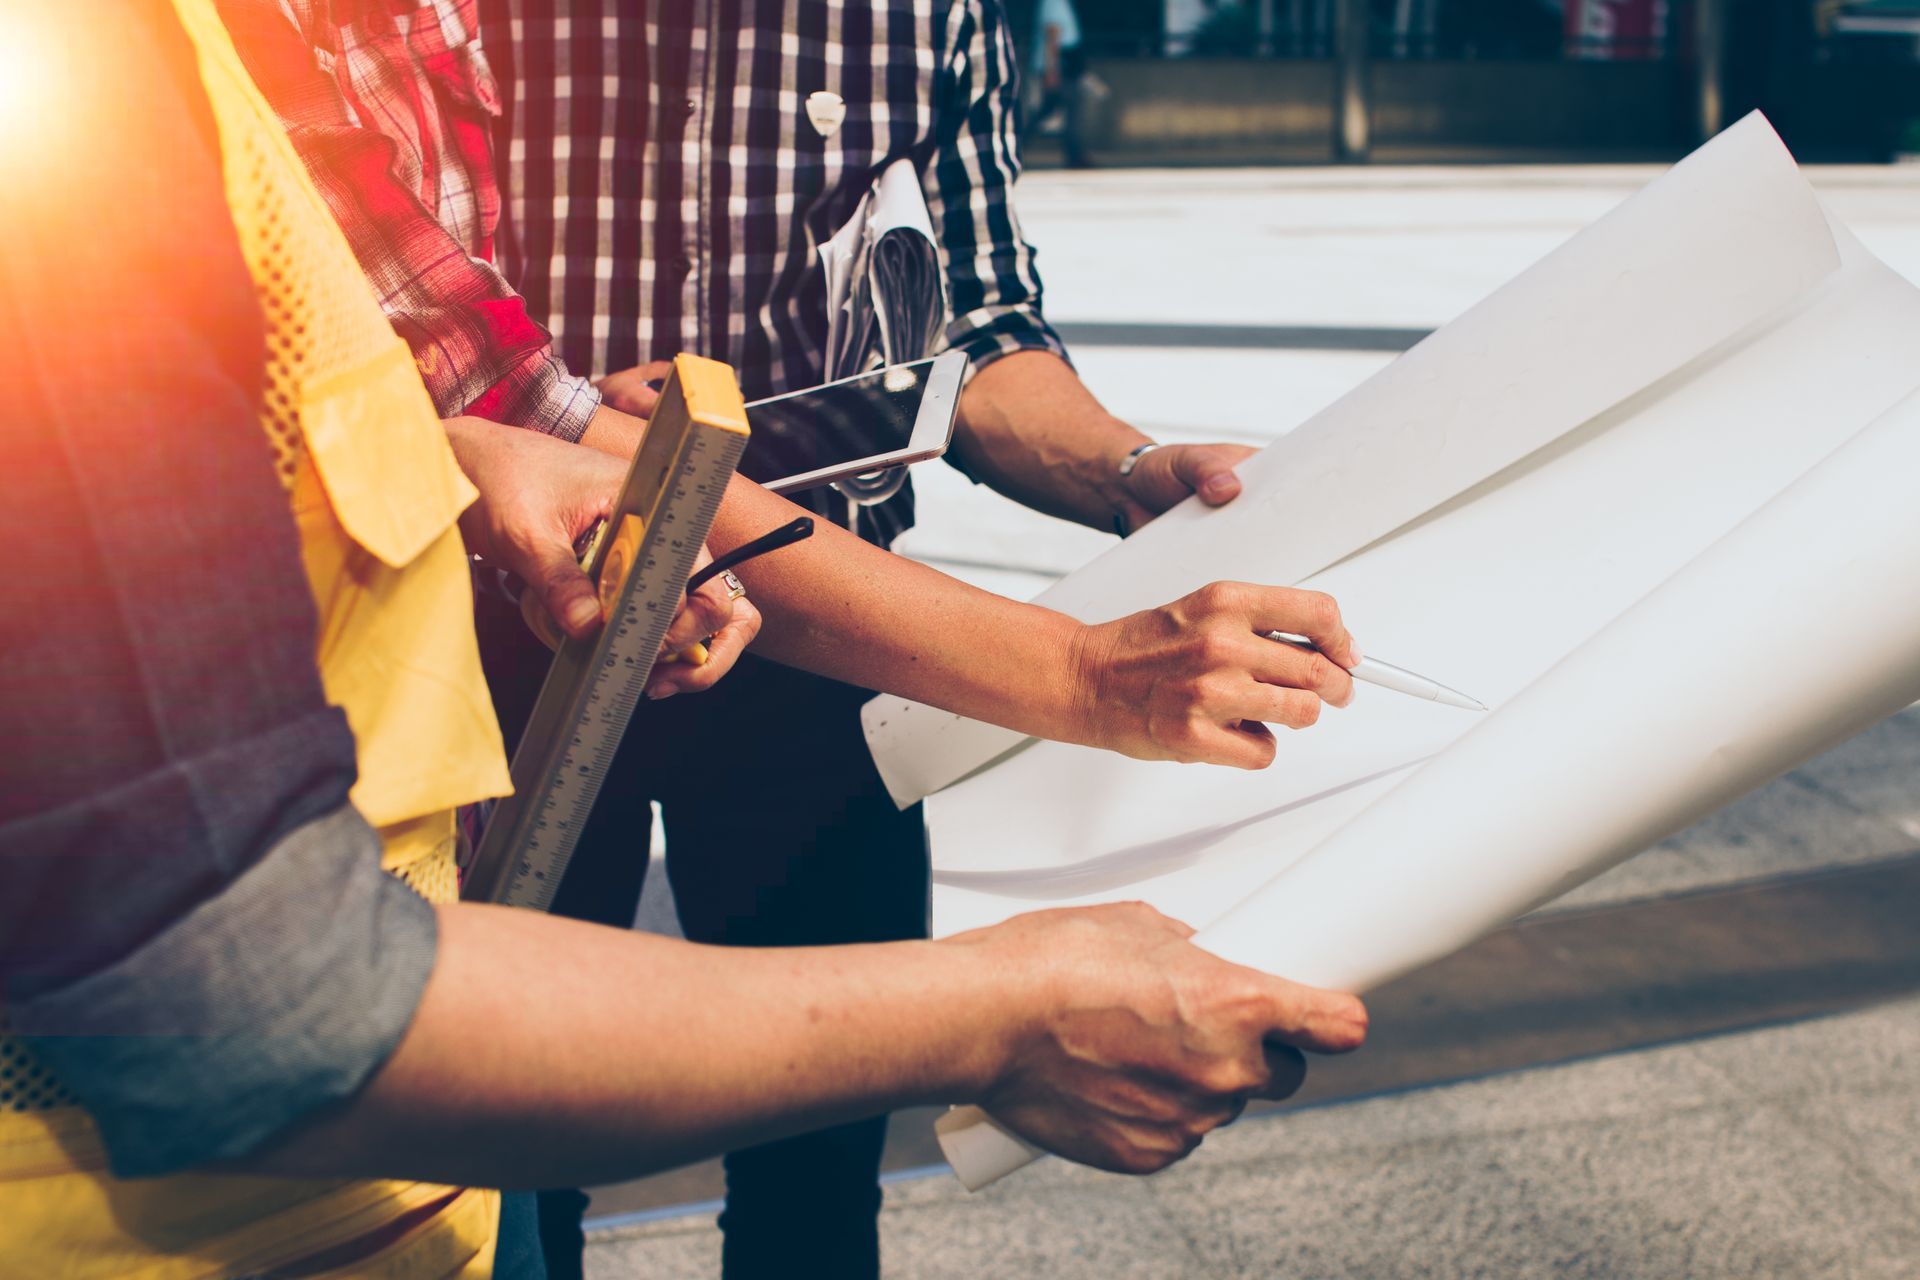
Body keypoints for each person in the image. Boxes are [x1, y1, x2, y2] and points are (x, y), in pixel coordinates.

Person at [0, 5, 1369, 1276]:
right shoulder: (130, 75)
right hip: (525, 656)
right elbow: (266, 1001)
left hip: (812, 663)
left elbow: (969, 327)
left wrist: (466, 450)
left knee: (809, 1180)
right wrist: (1017, 934)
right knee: (550, 1159)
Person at [481, 3, 1286, 1272]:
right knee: (504, 1142)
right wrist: (1080, 672)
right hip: (521, 616)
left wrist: (1125, 465)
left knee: (820, 1157)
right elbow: (435, 344)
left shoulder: (923, 19)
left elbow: (971, 339)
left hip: (828, 635)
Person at [1032, 0, 1096, 169]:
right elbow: (1053, 33)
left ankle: (1076, 153)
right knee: (1068, 110)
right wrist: (1052, 70)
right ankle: (1076, 154)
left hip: (1063, 66)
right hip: (1061, 67)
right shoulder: (1054, 2)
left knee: (1051, 108)